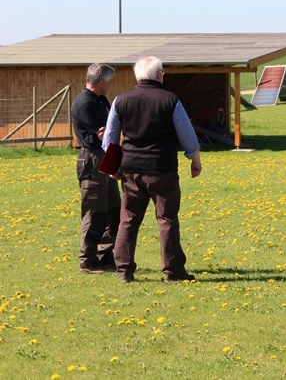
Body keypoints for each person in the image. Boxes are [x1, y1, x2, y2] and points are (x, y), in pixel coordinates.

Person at [102, 56, 202, 283]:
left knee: (128, 220)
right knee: (166, 219)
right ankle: (172, 271)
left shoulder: (121, 100)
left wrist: (111, 167)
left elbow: (110, 139)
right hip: (162, 168)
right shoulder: (170, 100)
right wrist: (194, 158)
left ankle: (124, 271)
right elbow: (186, 134)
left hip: (131, 169)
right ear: (158, 75)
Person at [71, 63, 121, 274]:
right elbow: (102, 133)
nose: (111, 85)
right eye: (110, 81)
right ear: (101, 81)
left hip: (106, 157)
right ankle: (87, 259)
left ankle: (107, 256)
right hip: (93, 160)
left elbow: (108, 133)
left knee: (113, 210)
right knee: (95, 212)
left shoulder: (101, 100)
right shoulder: (85, 103)